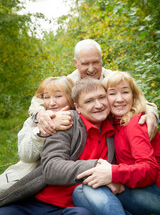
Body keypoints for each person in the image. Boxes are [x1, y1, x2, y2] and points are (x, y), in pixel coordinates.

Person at [0, 78, 148, 215]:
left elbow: (130, 98)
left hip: (70, 210)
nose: (98, 105)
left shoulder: (115, 128)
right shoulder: (66, 122)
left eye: (102, 98)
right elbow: (51, 168)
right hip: (36, 202)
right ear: (77, 107)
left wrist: (152, 114)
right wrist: (97, 167)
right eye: (89, 101)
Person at [73, 71, 160, 215]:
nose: (119, 99)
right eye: (112, 94)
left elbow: (150, 169)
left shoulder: (135, 124)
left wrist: (113, 174)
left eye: (125, 92)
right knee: (84, 191)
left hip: (155, 193)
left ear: (133, 96)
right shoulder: (115, 123)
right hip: (140, 188)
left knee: (87, 190)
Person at [28, 39, 158, 140]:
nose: (91, 69)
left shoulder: (113, 78)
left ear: (101, 60)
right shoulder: (68, 82)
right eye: (85, 64)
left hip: (111, 135)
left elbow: (139, 100)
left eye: (95, 62)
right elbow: (39, 99)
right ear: (76, 63)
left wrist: (151, 114)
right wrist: (39, 114)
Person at [0, 76, 73, 193]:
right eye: (46, 97)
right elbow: (25, 156)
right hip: (28, 179)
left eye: (58, 96)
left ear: (70, 97)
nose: (52, 102)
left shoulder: (79, 119)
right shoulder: (32, 122)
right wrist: (43, 130)